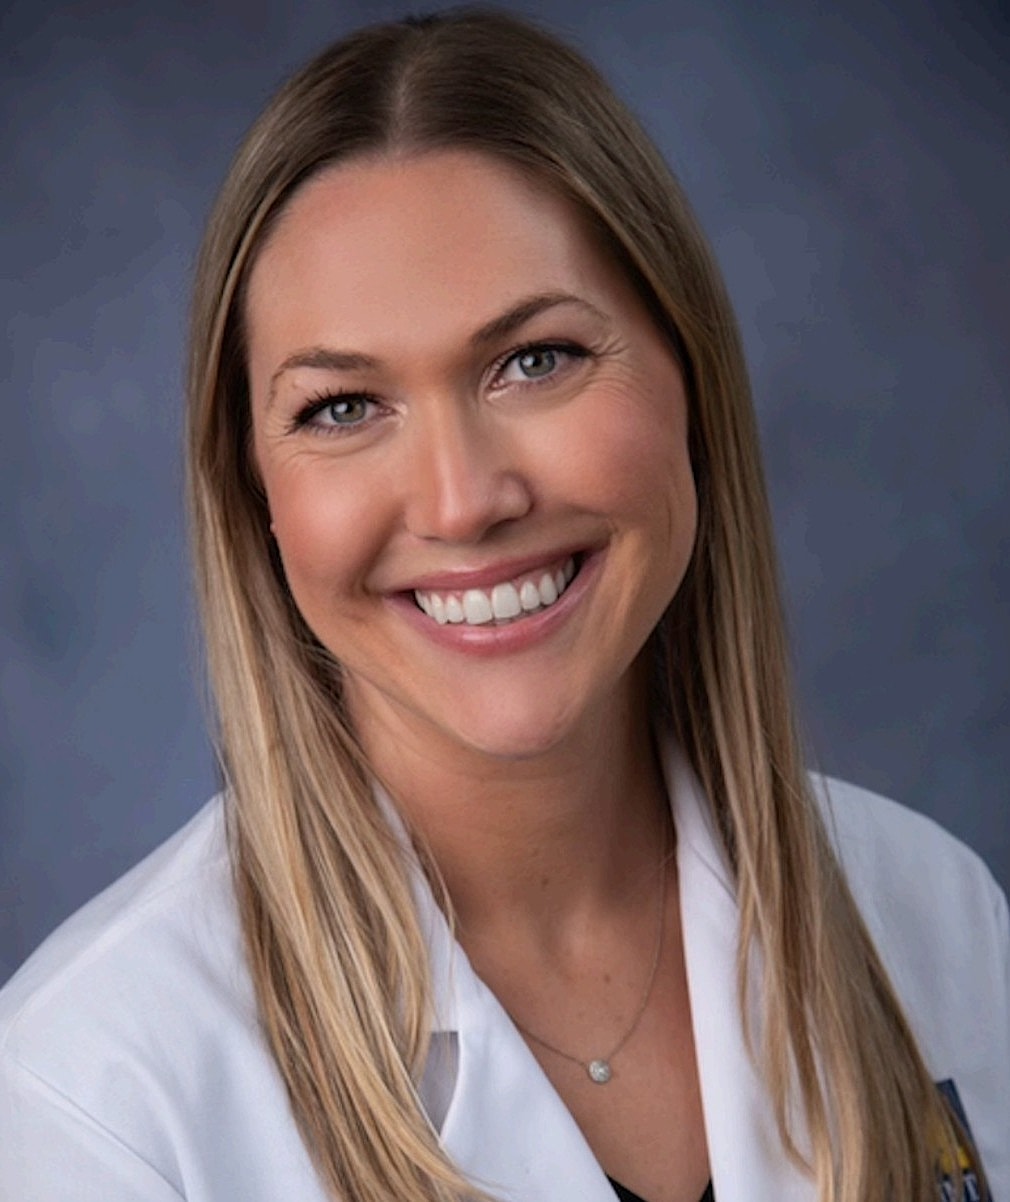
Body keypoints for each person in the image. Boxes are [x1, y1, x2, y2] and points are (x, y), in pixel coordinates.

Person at [1, 10, 1007, 1202]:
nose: (464, 500)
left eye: (532, 359)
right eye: (340, 407)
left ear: (688, 375)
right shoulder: (92, 1095)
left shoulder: (932, 915)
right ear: (253, 495)